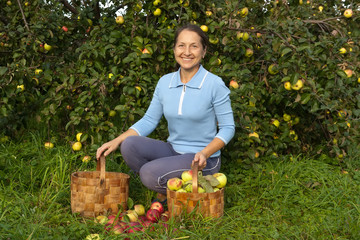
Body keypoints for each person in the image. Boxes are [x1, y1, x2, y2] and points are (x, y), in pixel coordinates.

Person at [96, 24, 235, 203]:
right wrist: (116, 141)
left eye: (194, 46)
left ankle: (170, 188)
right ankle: (170, 184)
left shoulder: (214, 84)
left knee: (148, 173)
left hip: (203, 160)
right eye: (181, 45)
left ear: (204, 51)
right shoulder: (165, 82)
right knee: (129, 145)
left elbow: (228, 128)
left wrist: (205, 153)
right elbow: (149, 120)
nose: (187, 52)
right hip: (173, 150)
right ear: (174, 49)